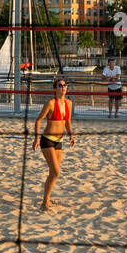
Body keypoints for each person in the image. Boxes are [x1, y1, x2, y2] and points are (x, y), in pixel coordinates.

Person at [33, 77, 74, 212]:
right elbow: (38, 120)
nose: (63, 88)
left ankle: (47, 199)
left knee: (53, 173)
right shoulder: (51, 103)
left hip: (59, 141)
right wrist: (36, 139)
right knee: (56, 172)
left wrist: (71, 135)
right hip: (47, 140)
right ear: (55, 89)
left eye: (64, 85)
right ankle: (44, 203)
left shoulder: (69, 103)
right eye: (60, 85)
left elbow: (67, 122)